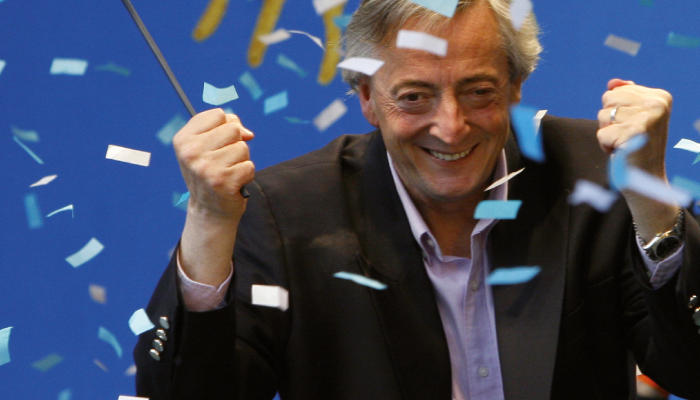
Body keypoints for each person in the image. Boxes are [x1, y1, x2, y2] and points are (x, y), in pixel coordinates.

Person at [134, 0, 700, 398]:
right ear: (366, 97)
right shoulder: (288, 213)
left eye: (478, 92)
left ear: (516, 86)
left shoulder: (598, 176)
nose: (450, 127)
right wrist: (209, 221)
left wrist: (651, 198)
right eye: (414, 97)